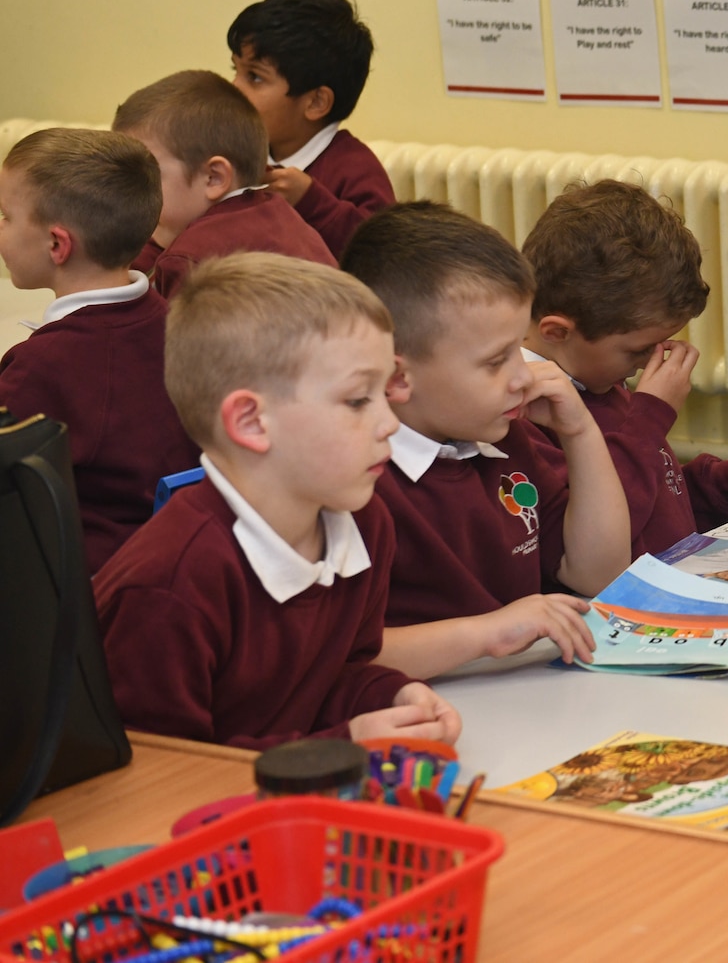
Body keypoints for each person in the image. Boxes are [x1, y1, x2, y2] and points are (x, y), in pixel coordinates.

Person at [92, 254, 460, 750]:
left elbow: (338, 674)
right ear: (251, 422)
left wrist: (394, 696)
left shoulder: (364, 522)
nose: (390, 423)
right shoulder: (172, 584)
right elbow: (161, 776)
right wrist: (341, 744)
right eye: (357, 400)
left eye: (384, 392)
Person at [342, 202, 629, 679]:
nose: (524, 377)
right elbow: (343, 654)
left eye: (519, 349)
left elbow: (596, 573)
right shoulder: (350, 482)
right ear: (397, 377)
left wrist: (579, 430)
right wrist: (488, 633)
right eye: (497, 362)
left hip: (517, 695)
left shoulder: (497, 435)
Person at [519, 180, 728, 558]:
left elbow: (652, 497)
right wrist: (649, 417)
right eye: (637, 350)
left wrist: (723, 481)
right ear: (557, 332)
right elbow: (601, 529)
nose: (649, 363)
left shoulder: (599, 384)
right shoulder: (524, 420)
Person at [0, 129, 199, 571]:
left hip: (83, 596)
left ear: (57, 244)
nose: (0, 228)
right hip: (165, 561)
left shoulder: (41, 367)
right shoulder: (177, 324)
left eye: (5, 216)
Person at [111, 69, 335, 297]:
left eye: (146, 174)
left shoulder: (191, 261)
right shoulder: (281, 215)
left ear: (214, 178)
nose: (129, 190)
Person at [228, 0, 395, 258]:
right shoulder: (233, 154)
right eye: (235, 70)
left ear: (316, 102)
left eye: (255, 77)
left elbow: (384, 256)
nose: (234, 88)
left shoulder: (355, 169)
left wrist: (312, 202)